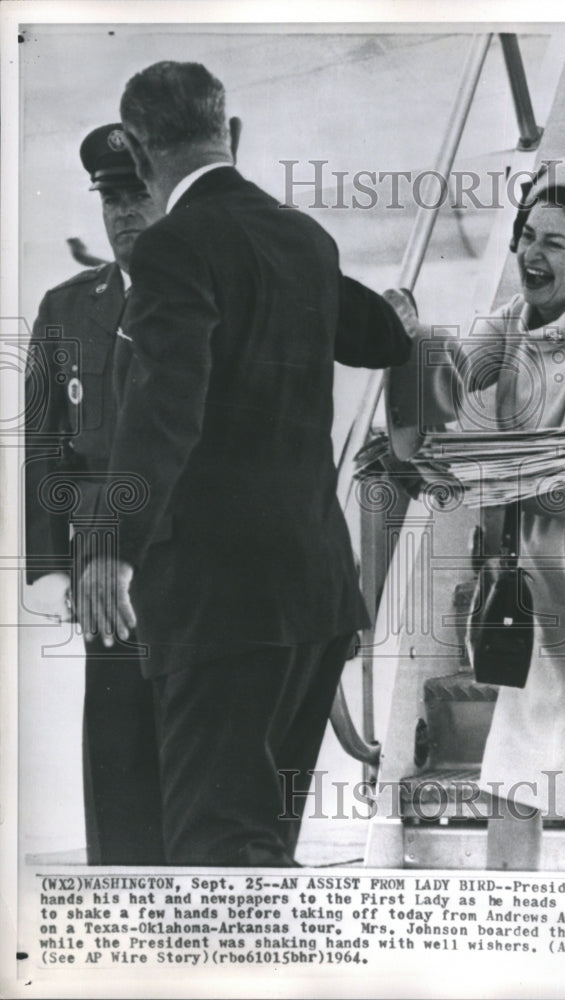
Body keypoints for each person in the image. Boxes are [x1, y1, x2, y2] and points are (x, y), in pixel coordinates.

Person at [76, 61, 411, 866]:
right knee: (261, 847)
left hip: (221, 608)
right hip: (315, 599)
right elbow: (382, 338)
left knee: (214, 850)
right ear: (227, 134)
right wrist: (399, 309)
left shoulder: (171, 248)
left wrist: (111, 544)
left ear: (140, 146)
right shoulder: (301, 235)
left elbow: (165, 408)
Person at [385, 155, 565, 872]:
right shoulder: (514, 322)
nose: (528, 253)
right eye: (525, 235)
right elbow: (449, 389)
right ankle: (502, 950)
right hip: (535, 565)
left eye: (552, 242)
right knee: (513, 783)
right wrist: (407, 345)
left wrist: (471, 470)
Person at [24, 124, 165, 864]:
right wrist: (51, 564)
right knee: (117, 763)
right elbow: (47, 443)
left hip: (194, 564)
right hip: (102, 574)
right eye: (111, 195)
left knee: (197, 774)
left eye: (137, 191)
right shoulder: (68, 308)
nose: (122, 211)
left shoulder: (214, 299)